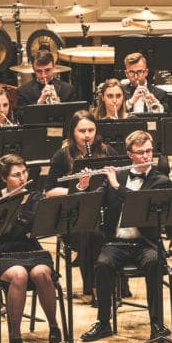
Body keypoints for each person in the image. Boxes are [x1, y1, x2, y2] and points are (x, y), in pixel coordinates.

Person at [80, 130, 172, 342]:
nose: (146, 156)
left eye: (149, 151)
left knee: (154, 262)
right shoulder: (119, 176)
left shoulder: (160, 181)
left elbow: (136, 203)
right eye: (140, 152)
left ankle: (157, 324)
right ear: (129, 154)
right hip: (117, 243)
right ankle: (103, 323)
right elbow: (93, 204)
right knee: (102, 264)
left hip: (146, 243)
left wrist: (116, 186)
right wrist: (82, 187)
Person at [0, 154, 61, 343]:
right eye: (16, 175)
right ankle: (15, 336)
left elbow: (30, 228)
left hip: (31, 249)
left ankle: (54, 325)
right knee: (19, 275)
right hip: (3, 253)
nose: (23, 178)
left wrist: (15, 221)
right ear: (4, 178)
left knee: (42, 273)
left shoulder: (35, 197)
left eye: (24, 172)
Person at [45, 110, 116, 301]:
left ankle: (110, 284)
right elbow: (50, 191)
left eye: (91, 130)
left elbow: (119, 183)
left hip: (104, 212)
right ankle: (96, 288)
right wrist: (78, 190)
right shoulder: (62, 156)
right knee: (90, 232)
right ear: (72, 132)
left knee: (109, 228)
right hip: (74, 217)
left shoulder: (107, 151)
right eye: (82, 131)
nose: (87, 135)